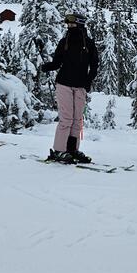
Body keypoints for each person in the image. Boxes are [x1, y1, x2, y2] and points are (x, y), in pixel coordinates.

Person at [40, 12, 98, 163]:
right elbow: (57, 63)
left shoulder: (89, 44)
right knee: (66, 119)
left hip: (80, 86)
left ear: (80, 24)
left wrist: (88, 81)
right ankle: (59, 150)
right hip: (64, 84)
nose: (69, 27)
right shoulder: (64, 42)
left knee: (77, 120)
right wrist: (47, 66)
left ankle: (72, 150)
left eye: (72, 24)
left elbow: (94, 65)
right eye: (68, 24)